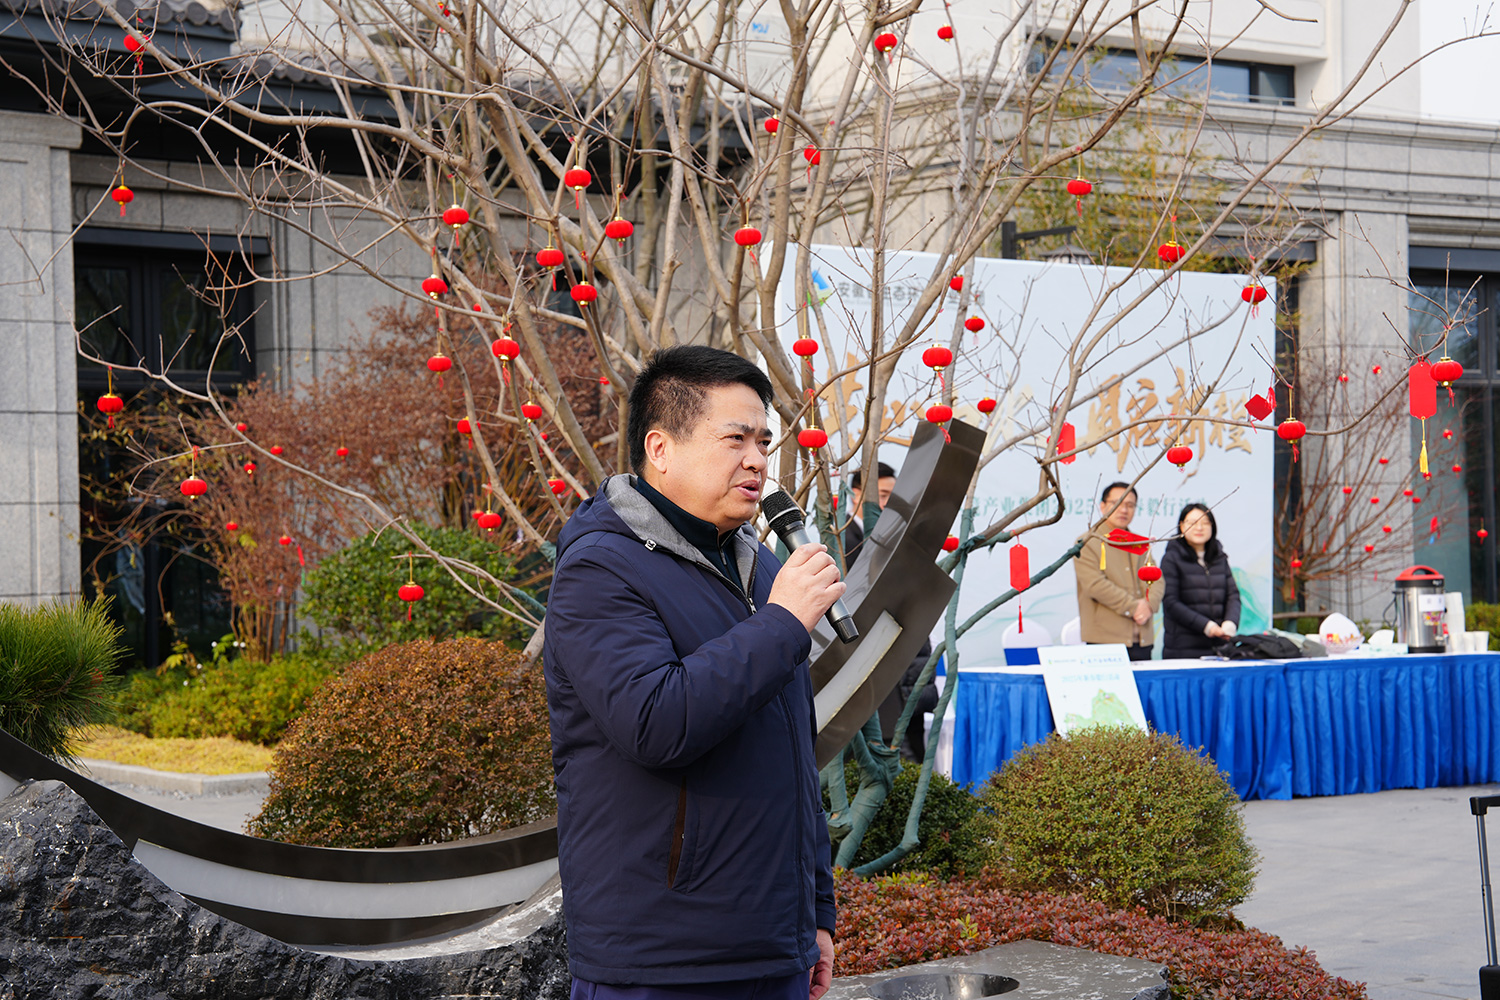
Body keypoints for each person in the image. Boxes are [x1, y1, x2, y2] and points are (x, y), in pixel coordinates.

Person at [543, 345, 841, 1000]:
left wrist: (815, 914)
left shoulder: (761, 569)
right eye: (735, 439)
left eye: (763, 441)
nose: (757, 460)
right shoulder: (600, 567)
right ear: (661, 448)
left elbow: (794, 757)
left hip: (772, 947)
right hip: (662, 960)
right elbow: (655, 723)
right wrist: (783, 622)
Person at [1074, 481, 1163, 661]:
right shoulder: (1087, 542)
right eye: (1117, 503)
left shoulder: (1139, 543)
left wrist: (1148, 605)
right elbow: (1095, 585)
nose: (1123, 510)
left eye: (1130, 505)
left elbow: (1156, 579)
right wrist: (1134, 607)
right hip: (1105, 640)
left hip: (1142, 639)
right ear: (1102, 506)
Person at [1160, 503, 1242, 660]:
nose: (1199, 528)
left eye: (1205, 523)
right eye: (1192, 523)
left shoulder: (1219, 558)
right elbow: (1171, 602)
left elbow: (1233, 595)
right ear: (1181, 526)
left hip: (1219, 648)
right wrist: (1207, 626)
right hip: (1183, 649)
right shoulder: (1171, 558)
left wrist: (1230, 623)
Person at [841, 461, 895, 565]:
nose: (889, 503)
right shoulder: (844, 541)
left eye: (893, 497)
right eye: (883, 495)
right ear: (856, 495)